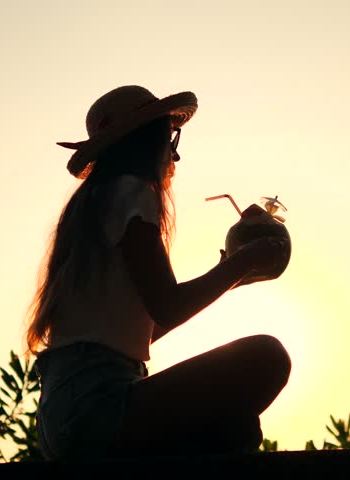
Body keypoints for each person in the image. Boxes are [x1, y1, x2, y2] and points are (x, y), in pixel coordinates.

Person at [26, 85, 292, 460]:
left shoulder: (92, 206)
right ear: (148, 141)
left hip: (63, 421)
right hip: (99, 407)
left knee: (235, 427)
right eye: (170, 138)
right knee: (268, 357)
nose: (175, 153)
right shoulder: (132, 192)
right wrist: (243, 262)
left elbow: (145, 329)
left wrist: (225, 276)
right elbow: (167, 306)